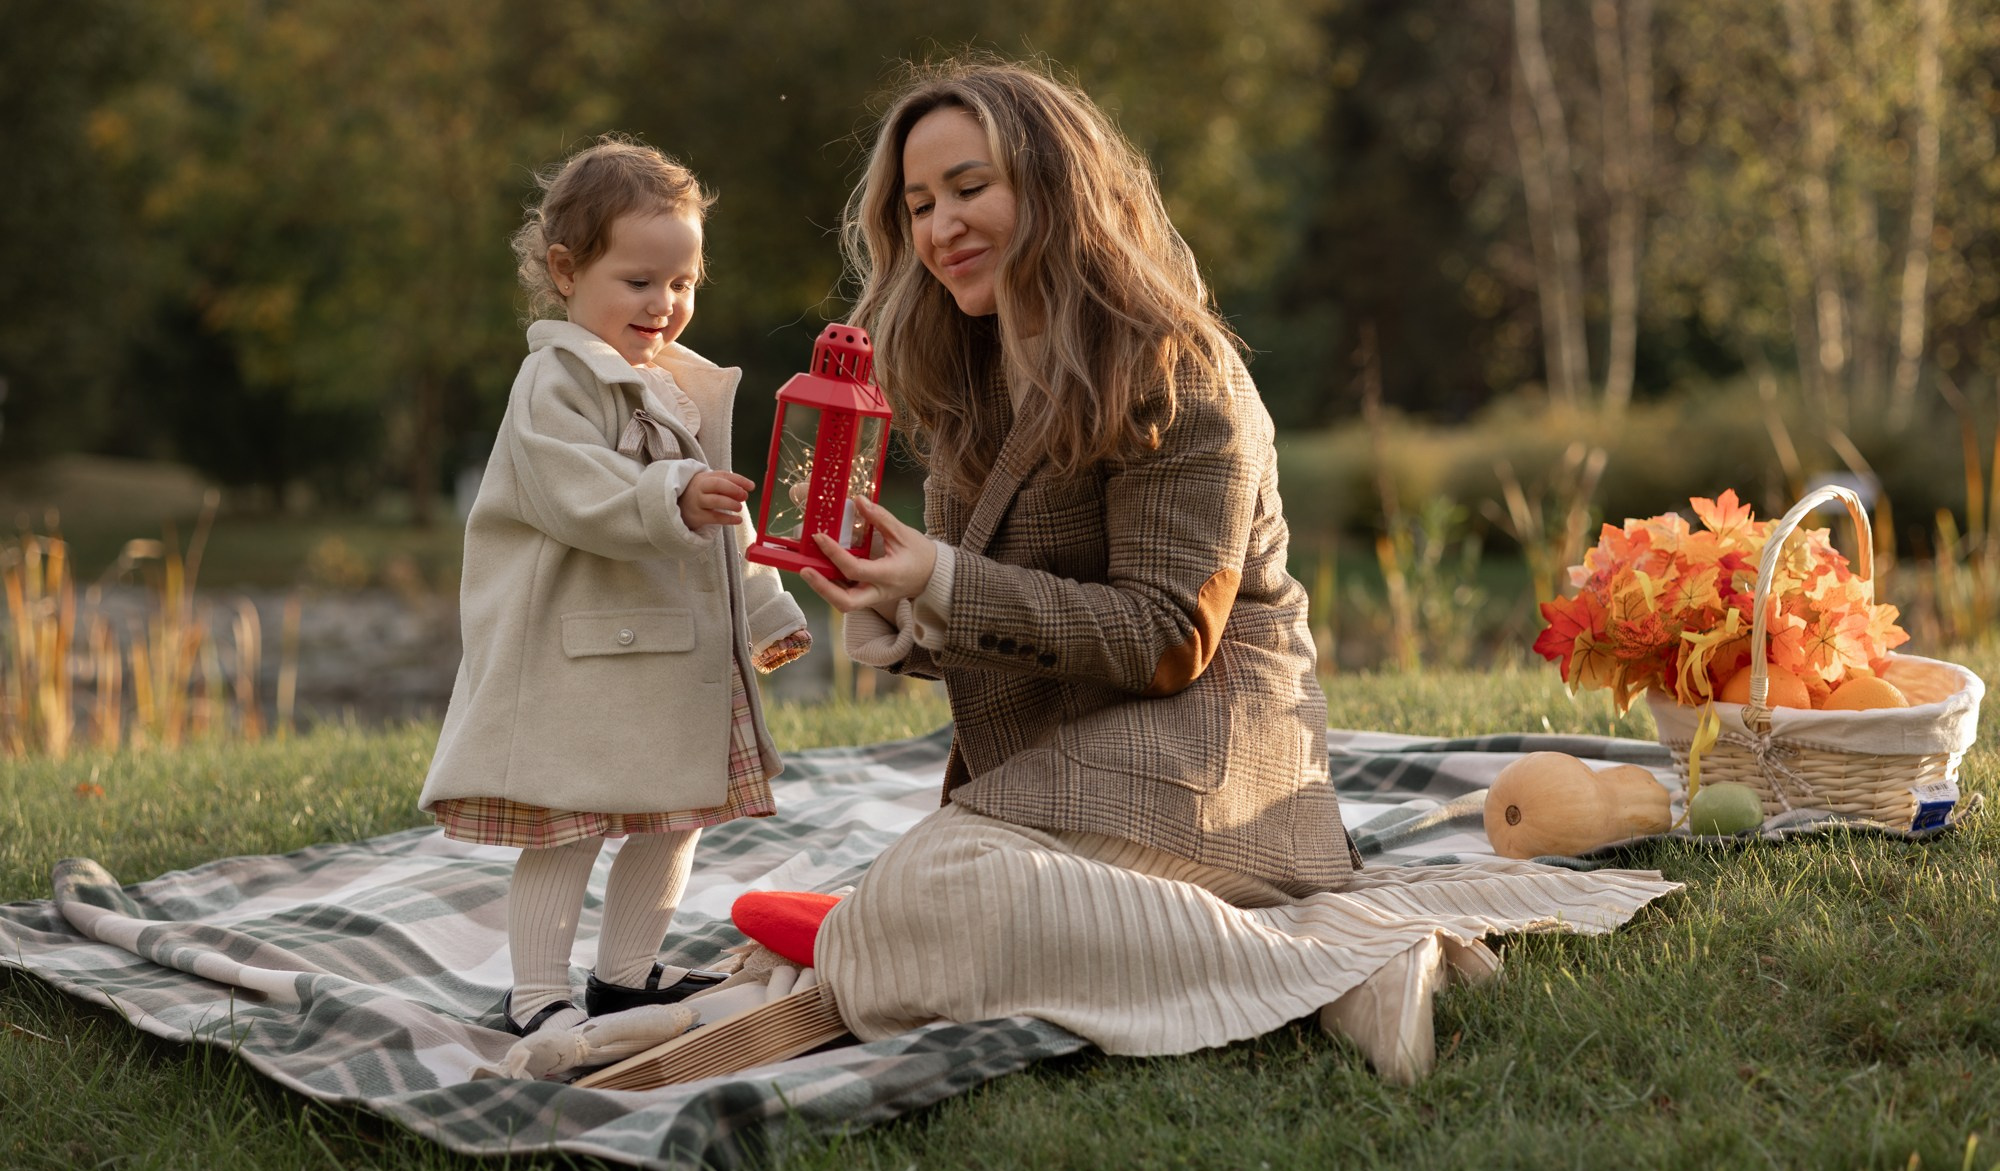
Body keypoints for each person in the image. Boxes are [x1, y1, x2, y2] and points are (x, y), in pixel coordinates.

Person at [796, 61, 1674, 1083]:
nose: (940, 226)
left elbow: (1166, 637)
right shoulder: (973, 387)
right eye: (917, 205)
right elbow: (1009, 621)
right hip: (1069, 763)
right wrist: (906, 609)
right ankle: (1339, 970)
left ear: (1052, 184)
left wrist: (943, 578)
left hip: (1212, 756)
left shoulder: (1173, 365)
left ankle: (1333, 963)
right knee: (885, 920)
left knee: (907, 907)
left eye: (968, 187)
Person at [419, 138, 812, 1042]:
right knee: (568, 822)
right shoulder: (554, 383)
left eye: (682, 283)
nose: (664, 304)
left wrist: (764, 609)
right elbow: (574, 492)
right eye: (639, 281)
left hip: (664, 652)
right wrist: (670, 491)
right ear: (566, 271)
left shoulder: (676, 386)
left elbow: (723, 527)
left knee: (675, 815)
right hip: (580, 654)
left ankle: (627, 974)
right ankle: (535, 991)